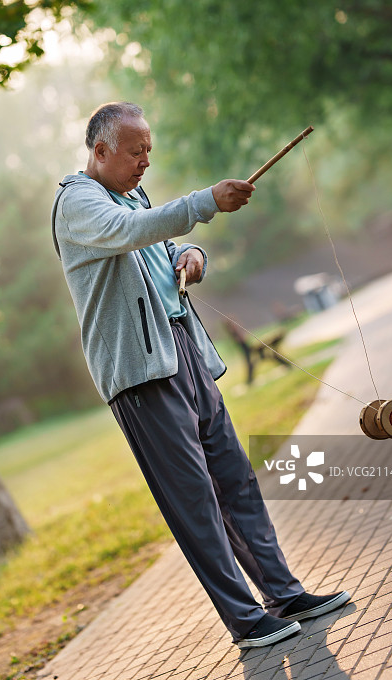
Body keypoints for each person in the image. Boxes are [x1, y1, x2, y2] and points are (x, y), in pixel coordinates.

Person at [51, 101, 350, 649]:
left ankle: (284, 594)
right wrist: (205, 202)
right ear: (101, 151)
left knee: (236, 478)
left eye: (149, 151)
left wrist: (191, 254)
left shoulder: (134, 194)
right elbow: (129, 231)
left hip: (182, 349)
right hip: (141, 374)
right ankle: (246, 620)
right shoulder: (78, 202)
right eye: (135, 152)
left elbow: (159, 242)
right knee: (195, 500)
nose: (145, 162)